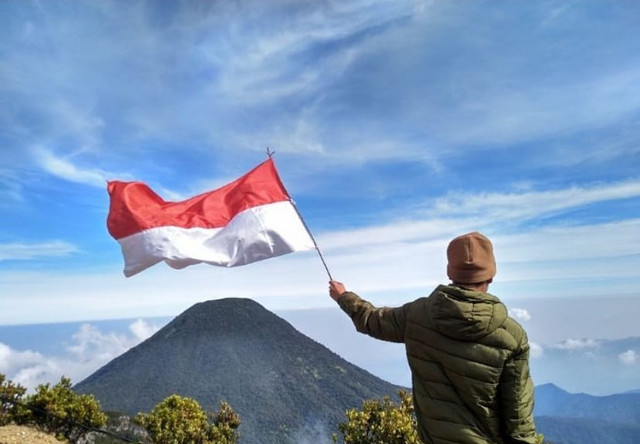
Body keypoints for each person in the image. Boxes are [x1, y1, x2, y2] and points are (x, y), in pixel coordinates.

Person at [329, 232, 537, 444]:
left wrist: (344, 297)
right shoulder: (512, 337)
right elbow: (519, 423)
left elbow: (371, 320)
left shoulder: (416, 316)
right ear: (491, 275)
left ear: (450, 272)